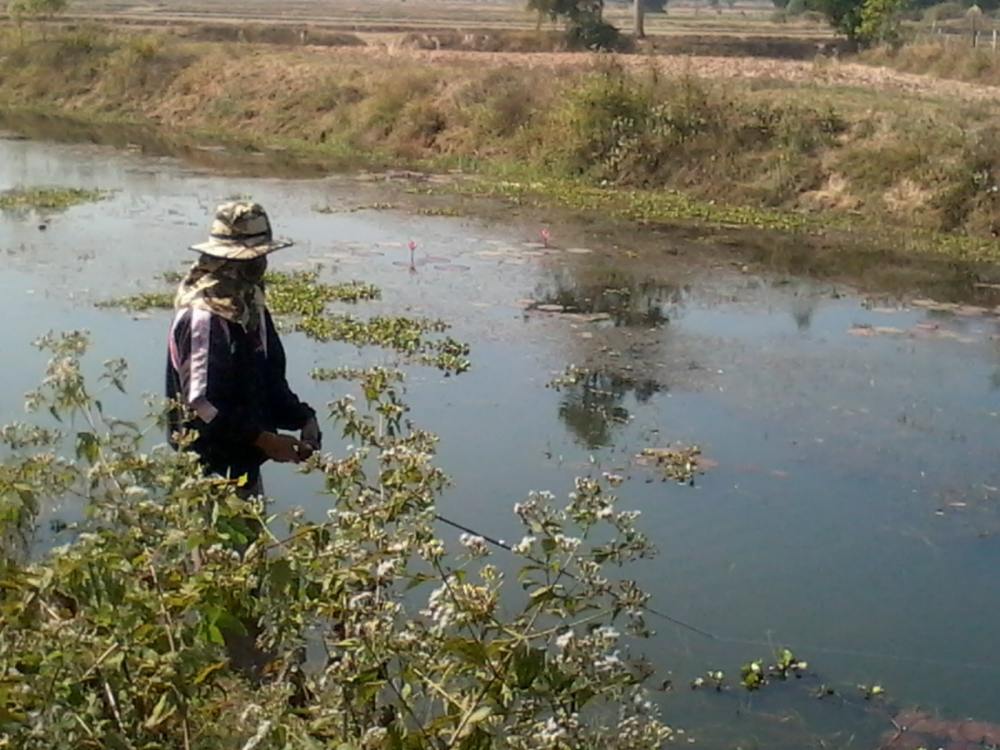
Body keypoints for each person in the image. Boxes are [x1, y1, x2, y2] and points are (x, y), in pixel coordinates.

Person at [166, 201, 321, 494]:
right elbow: (202, 405)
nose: (259, 265)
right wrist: (265, 440)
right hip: (207, 476)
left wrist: (303, 418)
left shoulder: (250, 308)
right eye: (251, 259)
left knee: (252, 538)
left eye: (261, 256)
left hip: (243, 469)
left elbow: (268, 380)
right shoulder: (204, 317)